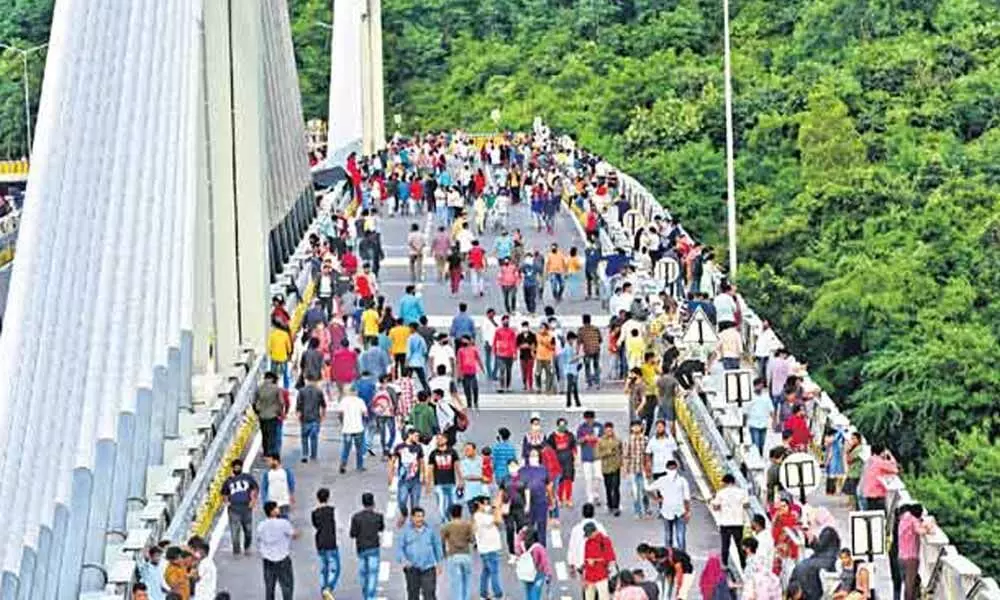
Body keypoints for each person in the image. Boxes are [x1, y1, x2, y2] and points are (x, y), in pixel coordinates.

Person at [397, 507, 444, 600]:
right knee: (413, 595)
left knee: (429, 594)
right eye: (418, 516)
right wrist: (405, 561)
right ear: (412, 518)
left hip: (428, 568)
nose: (420, 519)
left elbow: (437, 546)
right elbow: (400, 549)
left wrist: (439, 563)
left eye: (422, 516)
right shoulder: (405, 532)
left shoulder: (430, 531)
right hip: (412, 569)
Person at [257, 501, 296, 600]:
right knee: (287, 586)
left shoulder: (261, 525)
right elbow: (293, 534)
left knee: (269, 587)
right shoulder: (283, 523)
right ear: (272, 511)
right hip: (283, 559)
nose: (278, 509)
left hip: (268, 560)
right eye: (276, 508)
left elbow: (259, 539)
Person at [350, 492, 385, 600]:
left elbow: (353, 534)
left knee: (363, 572)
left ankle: (366, 594)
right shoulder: (378, 517)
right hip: (374, 547)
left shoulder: (356, 517)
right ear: (373, 503)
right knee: (373, 573)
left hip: (361, 548)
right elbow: (381, 528)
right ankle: (371, 595)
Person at [710, 473, 750, 569]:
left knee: (725, 545)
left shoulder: (721, 493)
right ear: (734, 481)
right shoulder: (742, 492)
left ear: (725, 482)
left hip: (725, 523)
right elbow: (746, 505)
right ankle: (743, 565)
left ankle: (724, 564)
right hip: (738, 522)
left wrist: (717, 503)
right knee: (740, 545)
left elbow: (715, 507)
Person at [649, 459, 690, 550]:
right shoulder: (682, 481)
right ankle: (682, 556)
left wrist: (656, 499)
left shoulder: (662, 480)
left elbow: (648, 489)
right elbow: (686, 498)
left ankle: (669, 555)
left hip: (668, 511)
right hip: (680, 511)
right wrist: (688, 512)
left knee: (668, 535)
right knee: (680, 536)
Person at [221, 459, 257, 555]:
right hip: (234, 509)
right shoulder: (228, 481)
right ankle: (236, 550)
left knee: (248, 530)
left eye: (239, 467)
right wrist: (226, 502)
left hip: (246, 508)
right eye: (235, 467)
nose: (237, 469)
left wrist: (253, 500)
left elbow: (254, 489)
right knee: (235, 532)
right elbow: (224, 493)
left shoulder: (248, 477)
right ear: (232, 468)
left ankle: (247, 547)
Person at [898, 504, 934, 600]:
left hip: (901, 556)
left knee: (907, 582)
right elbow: (920, 531)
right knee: (910, 583)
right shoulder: (913, 520)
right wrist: (929, 529)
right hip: (911, 557)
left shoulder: (903, 520)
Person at [473, 494, 505, 600]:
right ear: (478, 504)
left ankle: (483, 593)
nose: (486, 506)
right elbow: (498, 520)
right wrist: (496, 508)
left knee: (486, 572)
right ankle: (498, 594)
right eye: (484, 503)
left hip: (485, 549)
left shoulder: (480, 516)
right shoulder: (480, 516)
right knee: (494, 572)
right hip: (489, 549)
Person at [441, 503, 476, 600]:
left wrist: (444, 554)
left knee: (455, 581)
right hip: (466, 554)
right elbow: (472, 540)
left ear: (450, 514)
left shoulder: (446, 526)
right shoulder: (468, 525)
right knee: (467, 580)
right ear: (461, 513)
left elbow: (442, 541)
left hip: (453, 555)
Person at [392, 428, 426, 523]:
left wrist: (423, 475)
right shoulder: (399, 447)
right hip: (403, 480)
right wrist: (391, 474)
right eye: (416, 436)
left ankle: (413, 522)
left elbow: (421, 462)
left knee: (415, 504)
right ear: (409, 435)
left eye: (418, 436)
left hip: (416, 480)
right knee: (402, 501)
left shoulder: (419, 447)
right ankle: (404, 513)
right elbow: (393, 460)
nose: (417, 438)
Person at [311, 488, 340, 598]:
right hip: (331, 542)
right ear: (328, 497)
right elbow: (338, 526)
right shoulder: (333, 510)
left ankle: (323, 588)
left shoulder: (314, 513)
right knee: (335, 568)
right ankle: (329, 587)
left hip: (320, 542)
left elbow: (316, 526)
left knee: (324, 567)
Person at [428, 435, 463, 521]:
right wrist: (429, 483)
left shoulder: (452, 452)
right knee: (441, 504)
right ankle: (445, 521)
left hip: (451, 482)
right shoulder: (433, 453)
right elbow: (430, 469)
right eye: (437, 439)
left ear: (446, 440)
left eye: (441, 438)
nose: (439, 440)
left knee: (452, 503)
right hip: (438, 483)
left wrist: (460, 480)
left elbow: (457, 467)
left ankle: (450, 518)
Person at [582, 522, 618, 600]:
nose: (588, 537)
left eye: (589, 534)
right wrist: (584, 578)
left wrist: (595, 561)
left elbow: (610, 558)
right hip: (589, 577)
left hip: (602, 576)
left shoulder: (605, 541)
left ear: (595, 531)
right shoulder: (587, 542)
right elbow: (586, 561)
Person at [516, 526, 553, 600]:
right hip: (538, 574)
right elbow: (544, 562)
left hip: (527, 573)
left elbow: (517, 545)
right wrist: (548, 574)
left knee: (529, 593)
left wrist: (521, 533)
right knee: (535, 594)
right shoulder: (538, 547)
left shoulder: (523, 546)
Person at [623, 420, 651, 518]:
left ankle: (647, 509)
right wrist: (625, 470)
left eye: (638, 426)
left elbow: (648, 455)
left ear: (641, 428)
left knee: (645, 490)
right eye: (634, 426)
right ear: (631, 428)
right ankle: (637, 511)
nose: (636, 428)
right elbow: (626, 456)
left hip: (643, 468)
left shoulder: (645, 439)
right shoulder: (628, 440)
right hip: (633, 469)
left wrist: (649, 468)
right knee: (635, 492)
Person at [548, 417, 578, 507]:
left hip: (568, 460)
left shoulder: (570, 435)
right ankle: (560, 499)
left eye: (564, 425)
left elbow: (574, 447)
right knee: (560, 480)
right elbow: (549, 450)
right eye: (561, 425)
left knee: (568, 479)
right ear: (557, 426)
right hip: (557, 460)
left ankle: (568, 499)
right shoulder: (552, 436)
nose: (562, 427)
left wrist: (576, 458)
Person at [254, 372, 285, 457]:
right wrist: (280, 412)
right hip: (272, 415)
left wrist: (257, 412)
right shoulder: (276, 389)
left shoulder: (259, 388)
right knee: (272, 434)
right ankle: (270, 453)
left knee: (264, 434)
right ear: (273, 379)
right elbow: (281, 402)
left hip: (262, 415)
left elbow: (254, 402)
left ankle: (265, 452)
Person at [860, 444, 899, 511]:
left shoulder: (869, 460)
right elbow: (895, 469)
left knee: (872, 515)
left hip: (867, 493)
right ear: (882, 452)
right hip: (877, 493)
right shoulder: (880, 462)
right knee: (881, 516)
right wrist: (890, 456)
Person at [596, 422, 623, 517]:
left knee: (616, 487)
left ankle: (616, 506)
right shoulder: (600, 441)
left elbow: (621, 452)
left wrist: (622, 464)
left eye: (610, 430)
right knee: (608, 487)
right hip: (606, 467)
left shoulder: (618, 440)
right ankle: (610, 505)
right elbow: (597, 454)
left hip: (616, 466)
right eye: (607, 430)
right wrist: (607, 452)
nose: (609, 432)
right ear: (604, 431)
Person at [296, 380, 326, 463]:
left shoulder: (301, 391)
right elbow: (323, 405)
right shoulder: (319, 391)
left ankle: (305, 454)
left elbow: (298, 406)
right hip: (316, 418)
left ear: (306, 380)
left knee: (304, 437)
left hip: (305, 418)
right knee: (314, 438)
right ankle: (313, 455)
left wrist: (299, 417)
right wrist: (323, 416)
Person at [339, 392, 369, 474]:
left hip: (347, 429)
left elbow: (340, 414)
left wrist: (343, 423)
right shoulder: (360, 401)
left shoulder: (344, 401)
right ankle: (359, 466)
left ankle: (343, 464)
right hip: (358, 428)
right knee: (359, 449)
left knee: (346, 448)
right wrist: (364, 422)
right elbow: (365, 414)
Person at [746, 377, 773, 455]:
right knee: (756, 444)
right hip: (753, 424)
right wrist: (744, 423)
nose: (760, 387)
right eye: (759, 385)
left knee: (762, 444)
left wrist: (773, 421)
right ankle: (756, 457)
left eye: (761, 385)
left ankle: (760, 456)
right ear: (755, 386)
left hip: (764, 424)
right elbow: (745, 411)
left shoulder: (766, 397)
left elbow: (771, 409)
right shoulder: (750, 397)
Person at [578, 314, 603, 389]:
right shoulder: (595, 328)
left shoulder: (581, 330)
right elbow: (600, 339)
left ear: (583, 321)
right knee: (596, 365)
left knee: (587, 367)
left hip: (587, 351)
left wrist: (577, 352)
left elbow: (579, 342)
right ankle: (597, 383)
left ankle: (589, 383)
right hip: (596, 349)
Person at [267, 323, 293, 388]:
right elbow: (289, 348)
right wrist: (289, 354)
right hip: (283, 357)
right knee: (285, 374)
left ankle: (272, 387)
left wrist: (271, 353)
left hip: (274, 357)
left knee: (272, 374)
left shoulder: (272, 334)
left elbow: (269, 347)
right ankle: (286, 388)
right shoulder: (285, 335)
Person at [516, 321, 538, 392]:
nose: (525, 328)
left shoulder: (533, 335)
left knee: (530, 371)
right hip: (522, 355)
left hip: (530, 355)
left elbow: (535, 345)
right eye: (524, 327)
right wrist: (522, 346)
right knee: (524, 371)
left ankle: (530, 386)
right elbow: (517, 345)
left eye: (526, 326)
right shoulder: (519, 336)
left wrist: (530, 347)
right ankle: (525, 384)